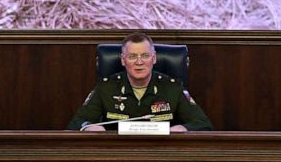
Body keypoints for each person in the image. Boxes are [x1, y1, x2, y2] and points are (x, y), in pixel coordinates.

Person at [67, 32, 213, 132]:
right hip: (117, 156)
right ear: (123, 60)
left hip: (162, 155)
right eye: (132, 57)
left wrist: (183, 128)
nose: (139, 62)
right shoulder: (106, 87)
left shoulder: (172, 87)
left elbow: (204, 125)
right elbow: (75, 123)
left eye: (145, 56)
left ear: (154, 58)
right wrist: (87, 127)